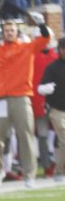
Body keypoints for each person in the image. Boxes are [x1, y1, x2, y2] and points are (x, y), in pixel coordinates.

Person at [0, 15, 51, 188]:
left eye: (12, 30)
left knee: (26, 135)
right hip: (0, 99)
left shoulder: (27, 47)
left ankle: (29, 173)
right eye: (6, 31)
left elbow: (45, 38)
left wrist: (41, 24)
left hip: (21, 97)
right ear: (3, 33)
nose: (9, 33)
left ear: (17, 32)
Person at [39, 37, 65, 183]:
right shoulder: (52, 67)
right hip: (57, 109)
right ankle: (60, 171)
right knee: (64, 140)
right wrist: (46, 89)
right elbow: (41, 87)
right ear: (60, 50)